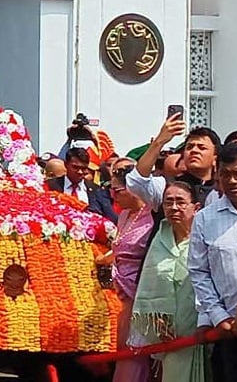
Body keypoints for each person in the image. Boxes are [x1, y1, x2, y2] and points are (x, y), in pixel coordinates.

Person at [189, 143, 237, 382]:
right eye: (225, 175)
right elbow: (199, 273)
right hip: (232, 333)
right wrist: (218, 316)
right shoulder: (204, 219)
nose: (232, 181)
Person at [131, 182, 208, 382]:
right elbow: (149, 285)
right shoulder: (160, 239)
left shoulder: (205, 238)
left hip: (203, 327)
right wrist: (157, 322)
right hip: (170, 333)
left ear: (196, 207)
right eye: (168, 202)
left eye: (180, 202)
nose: (174, 207)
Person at [105, 165, 154, 382]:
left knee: (136, 346)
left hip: (140, 286)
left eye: (119, 190)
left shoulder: (152, 214)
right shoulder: (123, 215)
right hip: (119, 288)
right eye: (111, 189)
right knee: (122, 346)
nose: (113, 195)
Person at [46, 148, 117, 223]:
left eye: (83, 168)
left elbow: (110, 218)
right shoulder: (50, 186)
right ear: (66, 165)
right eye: (75, 167)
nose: (80, 172)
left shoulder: (97, 190)